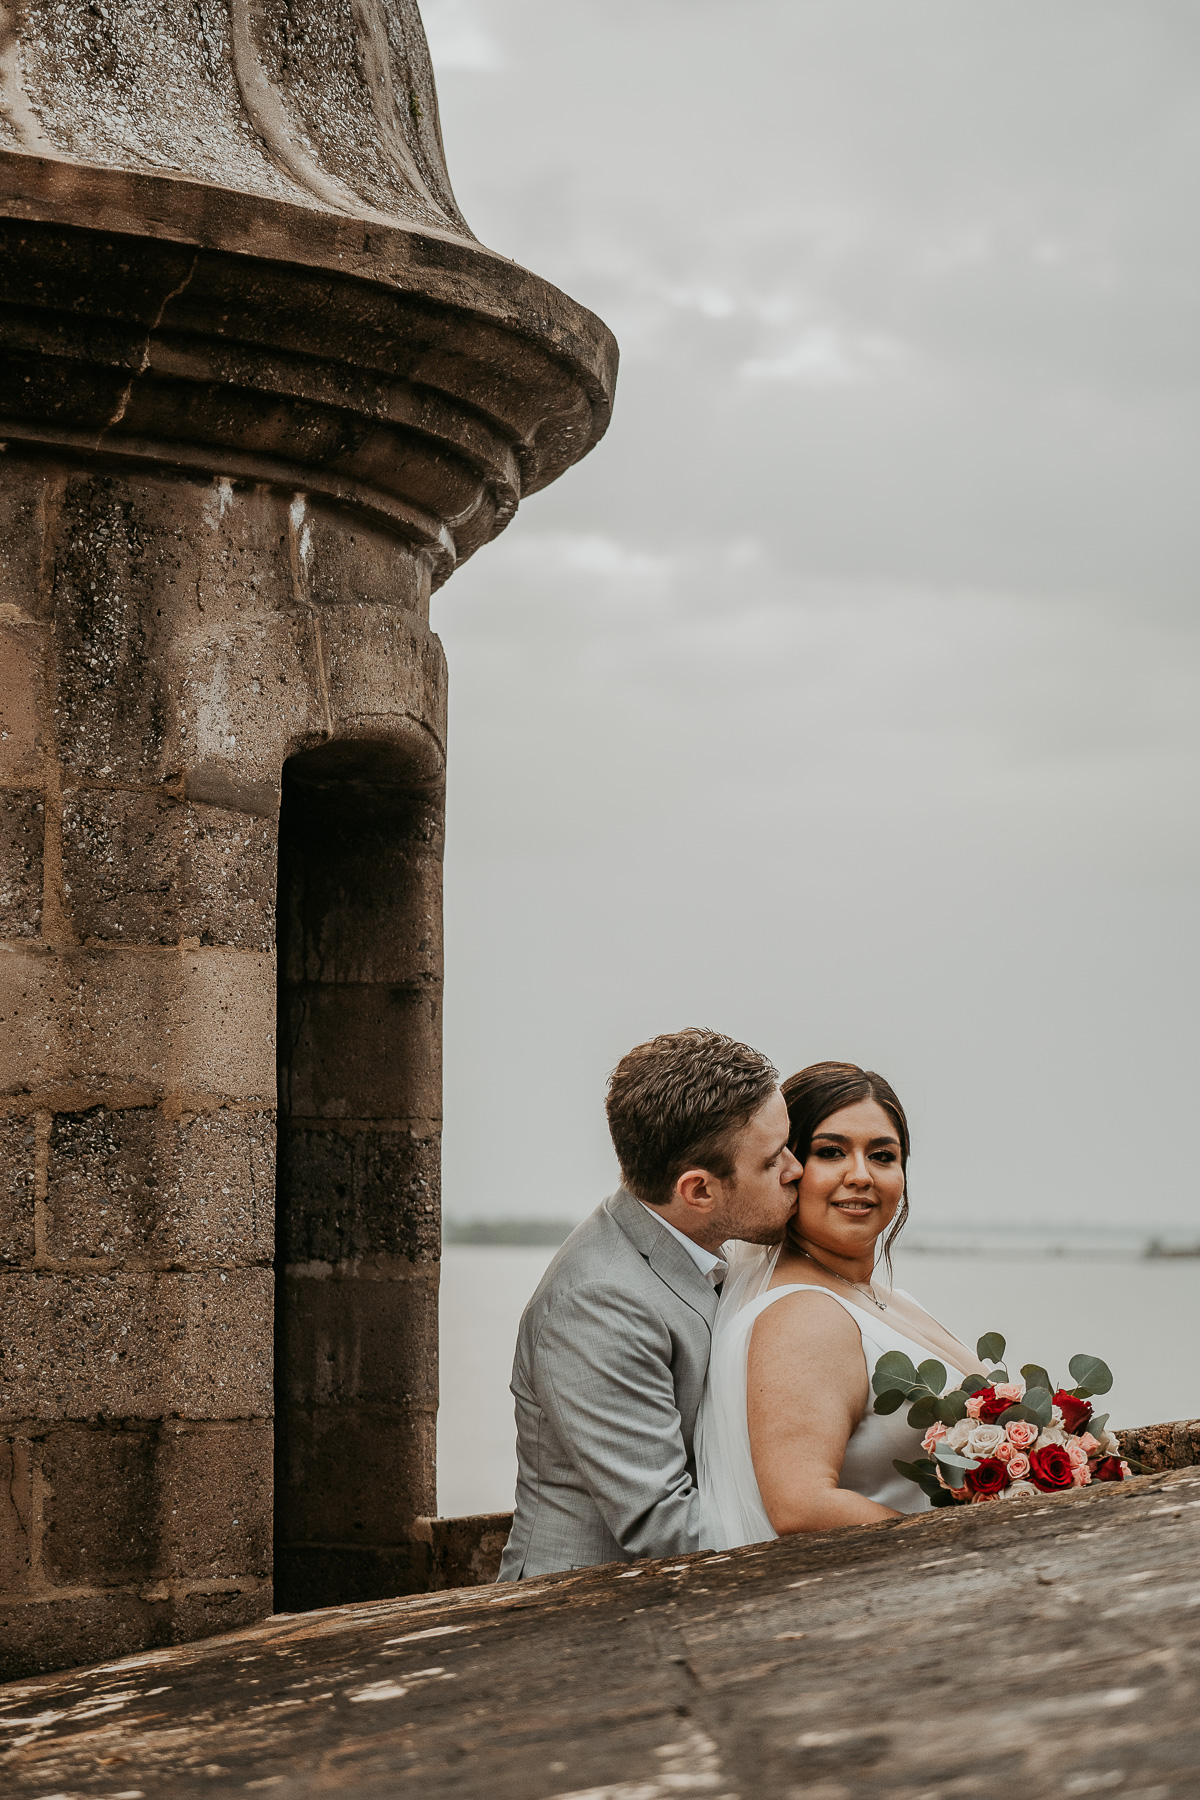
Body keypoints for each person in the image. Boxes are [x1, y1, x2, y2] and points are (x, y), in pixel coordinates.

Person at [497, 1028, 803, 1581]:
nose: (796, 1168)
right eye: (771, 1159)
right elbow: (664, 1524)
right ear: (699, 1191)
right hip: (574, 1615)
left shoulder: (707, 1245)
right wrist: (818, 1567)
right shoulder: (597, 1304)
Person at [697, 1060, 988, 1549]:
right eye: (830, 1152)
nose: (861, 1175)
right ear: (786, 1169)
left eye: (882, 1155)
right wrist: (971, 1542)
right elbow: (801, 1505)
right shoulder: (802, 1315)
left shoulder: (886, 1300)